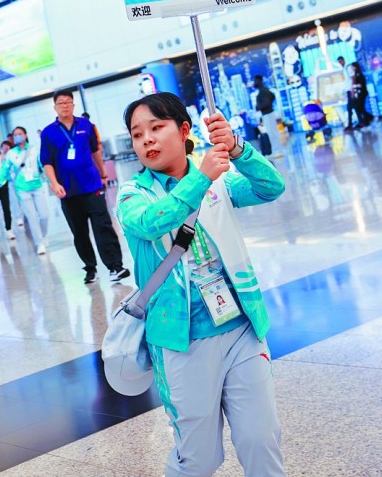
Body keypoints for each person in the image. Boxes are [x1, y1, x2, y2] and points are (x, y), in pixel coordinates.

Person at [116, 92, 286, 477]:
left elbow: (271, 187)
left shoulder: (216, 178)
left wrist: (237, 148)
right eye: (137, 134)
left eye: (156, 127)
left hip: (241, 329)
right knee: (198, 459)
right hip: (181, 341)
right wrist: (201, 177)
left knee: (261, 441)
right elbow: (152, 222)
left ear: (184, 130)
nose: (147, 139)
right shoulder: (132, 194)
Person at [40, 89, 129, 284]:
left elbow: (95, 151)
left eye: (68, 102)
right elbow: (46, 161)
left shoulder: (86, 125)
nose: (65, 105)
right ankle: (90, 269)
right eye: (61, 102)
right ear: (55, 107)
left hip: (92, 185)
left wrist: (103, 173)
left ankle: (115, 267)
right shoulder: (48, 133)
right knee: (79, 232)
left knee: (103, 226)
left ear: (73, 104)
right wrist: (54, 183)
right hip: (68, 191)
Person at [0, 126, 50, 254]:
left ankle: (43, 235)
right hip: (22, 189)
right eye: (15, 135)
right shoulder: (11, 154)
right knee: (32, 217)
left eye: (20, 134)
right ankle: (39, 243)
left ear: (25, 135)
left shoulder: (35, 150)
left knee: (44, 215)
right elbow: (4, 171)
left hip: (37, 186)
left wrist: (51, 181)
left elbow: (43, 166)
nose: (17, 136)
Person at [253, 75, 282, 157]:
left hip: (268, 113)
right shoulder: (263, 90)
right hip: (266, 114)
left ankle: (277, 151)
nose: (254, 83)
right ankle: (275, 150)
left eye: (255, 81)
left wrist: (259, 106)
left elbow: (267, 101)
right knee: (271, 132)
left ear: (259, 81)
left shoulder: (263, 91)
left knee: (273, 133)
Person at [345, 61, 374, 130]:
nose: (351, 68)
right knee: (359, 108)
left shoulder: (359, 75)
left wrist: (354, 86)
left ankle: (370, 118)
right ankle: (367, 120)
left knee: (359, 108)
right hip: (359, 94)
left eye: (352, 67)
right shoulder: (355, 75)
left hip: (362, 93)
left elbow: (361, 85)